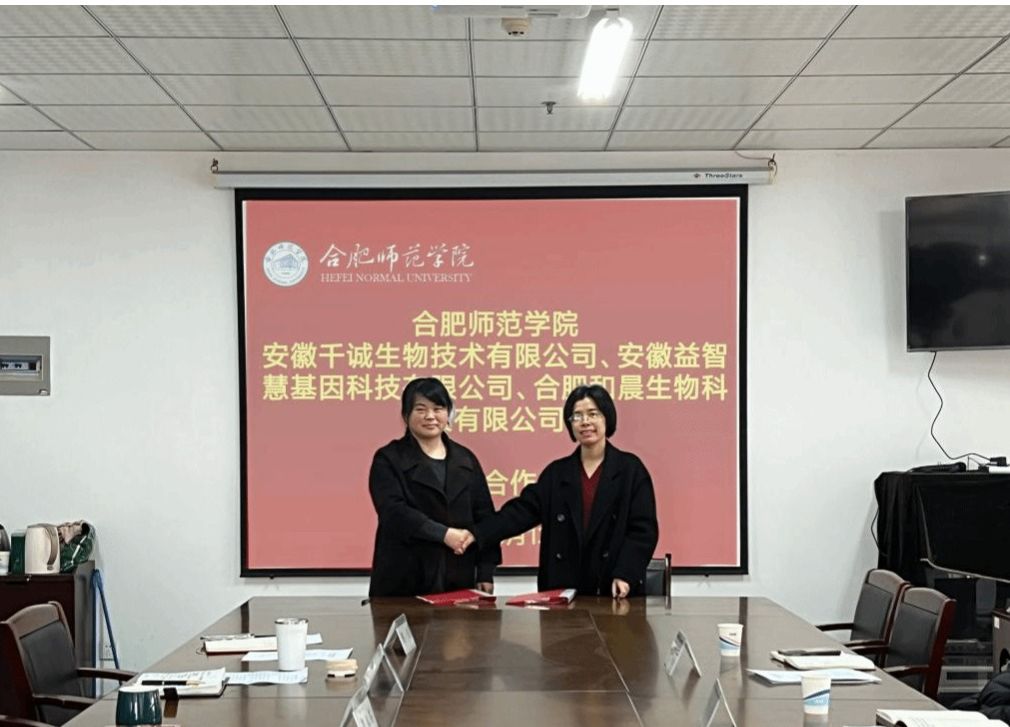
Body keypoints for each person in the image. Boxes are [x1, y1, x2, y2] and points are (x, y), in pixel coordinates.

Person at [475, 384, 658, 598]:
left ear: (607, 418)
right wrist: (476, 533)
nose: (585, 422)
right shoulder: (556, 473)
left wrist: (625, 574)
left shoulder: (630, 470)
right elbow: (520, 513)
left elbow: (643, 531)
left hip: (614, 589)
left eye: (593, 414)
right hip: (562, 591)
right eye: (577, 416)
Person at [368, 377, 500, 597]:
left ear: (448, 413)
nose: (430, 416)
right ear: (406, 415)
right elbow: (393, 512)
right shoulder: (389, 458)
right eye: (421, 409)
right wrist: (443, 534)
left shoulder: (465, 459)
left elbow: (485, 515)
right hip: (404, 578)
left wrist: (486, 571)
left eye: (438, 409)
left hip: (458, 576)